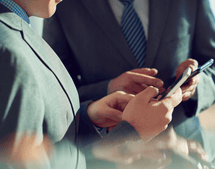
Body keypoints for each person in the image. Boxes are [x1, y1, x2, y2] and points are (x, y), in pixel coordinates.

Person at [43, 0, 215, 167]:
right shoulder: (59, 4)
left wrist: (194, 85)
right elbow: (53, 92)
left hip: (183, 148)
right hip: (109, 154)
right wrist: (108, 89)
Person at [0, 0, 185, 168]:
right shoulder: (8, 50)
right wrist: (128, 134)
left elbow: (33, 133)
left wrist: (86, 117)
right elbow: (18, 161)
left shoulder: (16, 31)